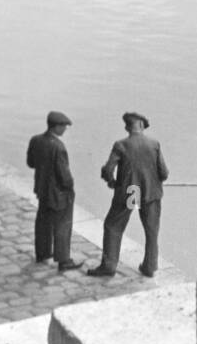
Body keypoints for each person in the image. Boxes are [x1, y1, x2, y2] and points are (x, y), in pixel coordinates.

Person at [87, 112, 169, 279]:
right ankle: (150, 266)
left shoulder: (121, 145)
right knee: (151, 230)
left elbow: (108, 170)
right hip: (150, 193)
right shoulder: (154, 144)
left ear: (127, 127)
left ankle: (109, 265)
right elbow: (164, 173)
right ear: (141, 126)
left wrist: (112, 182)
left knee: (113, 226)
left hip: (131, 192)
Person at [26, 111, 84, 272]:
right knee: (62, 226)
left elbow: (30, 163)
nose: (65, 130)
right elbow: (64, 176)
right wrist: (70, 188)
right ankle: (64, 259)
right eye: (64, 126)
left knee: (43, 222)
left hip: (42, 190)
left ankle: (42, 253)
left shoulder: (36, 140)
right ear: (56, 127)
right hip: (59, 194)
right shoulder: (58, 147)